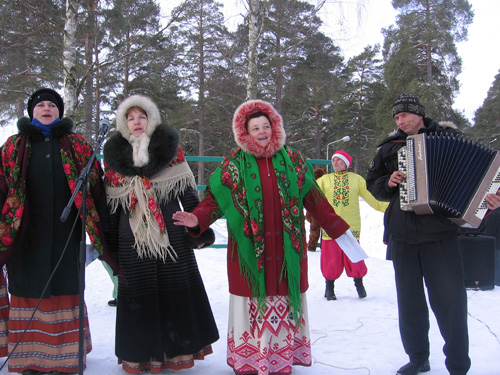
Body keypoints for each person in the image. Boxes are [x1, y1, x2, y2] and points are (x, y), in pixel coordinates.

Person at [172, 99, 351, 375]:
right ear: (245, 133)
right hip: (248, 255)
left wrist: (339, 229)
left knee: (282, 297)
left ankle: (281, 358)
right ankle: (250, 359)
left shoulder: (294, 160)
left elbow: (315, 200)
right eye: (255, 128)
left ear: (275, 128)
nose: (262, 132)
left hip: (284, 255)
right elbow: (214, 200)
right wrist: (198, 218)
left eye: (266, 126)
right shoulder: (233, 164)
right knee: (251, 300)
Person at [0, 88, 116, 374]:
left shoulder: (77, 145)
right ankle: (30, 360)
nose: (47, 108)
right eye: (41, 105)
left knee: (66, 287)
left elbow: (97, 186)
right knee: (28, 287)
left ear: (60, 112)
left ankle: (65, 359)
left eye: (52, 104)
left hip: (67, 233)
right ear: (32, 112)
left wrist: (106, 225)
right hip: (26, 234)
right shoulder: (14, 146)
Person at [103, 94, 219, 374]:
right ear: (123, 123)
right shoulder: (114, 157)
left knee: (174, 288)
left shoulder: (170, 151)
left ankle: (176, 353)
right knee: (137, 291)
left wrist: (197, 228)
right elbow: (111, 207)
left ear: (151, 120)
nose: (136, 121)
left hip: (171, 232)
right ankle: (140, 355)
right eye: (130, 118)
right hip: (132, 238)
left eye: (141, 116)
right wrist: (110, 247)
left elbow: (188, 193)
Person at [366, 93, 470, 375]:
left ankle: (459, 364)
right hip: (403, 236)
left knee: (450, 302)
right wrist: (388, 181)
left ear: (419, 114)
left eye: (405, 115)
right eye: (397, 118)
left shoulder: (450, 140)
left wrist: (489, 198)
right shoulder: (389, 148)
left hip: (440, 235)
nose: (401, 121)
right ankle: (418, 358)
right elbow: (372, 184)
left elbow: (476, 177)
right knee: (410, 303)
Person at [317, 150, 388, 300]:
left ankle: (359, 285)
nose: (335, 162)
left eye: (339, 160)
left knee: (354, 257)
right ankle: (329, 288)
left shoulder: (357, 180)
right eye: (333, 160)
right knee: (331, 259)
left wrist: (389, 208)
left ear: (346, 163)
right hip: (331, 225)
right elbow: (310, 195)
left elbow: (372, 199)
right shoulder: (324, 180)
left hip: (351, 226)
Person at [305, 168, 327, 251]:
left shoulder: (312, 184)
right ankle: (322, 246)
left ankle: (312, 246)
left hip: (315, 209)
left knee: (314, 229)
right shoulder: (325, 183)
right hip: (321, 209)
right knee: (323, 230)